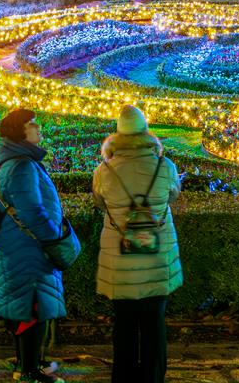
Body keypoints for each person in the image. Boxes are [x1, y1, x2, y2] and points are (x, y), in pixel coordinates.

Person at [94, 105, 182, 383]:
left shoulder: (104, 170)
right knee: (154, 321)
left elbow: (100, 202)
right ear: (146, 132)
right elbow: (173, 196)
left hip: (120, 259)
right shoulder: (165, 167)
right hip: (156, 256)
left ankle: (124, 377)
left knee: (124, 322)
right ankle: (153, 377)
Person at [0, 107, 80, 383]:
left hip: (20, 247)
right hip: (30, 249)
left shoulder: (13, 162)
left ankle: (27, 364)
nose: (39, 128)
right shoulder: (21, 166)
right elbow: (32, 212)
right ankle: (30, 372)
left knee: (26, 305)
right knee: (33, 306)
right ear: (20, 132)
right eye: (33, 124)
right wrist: (54, 237)